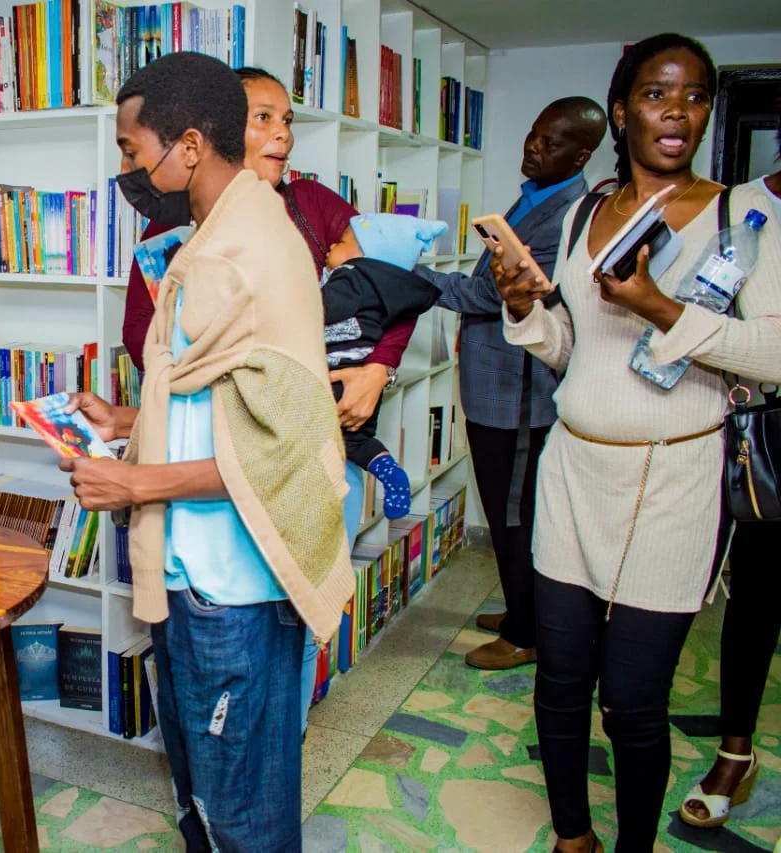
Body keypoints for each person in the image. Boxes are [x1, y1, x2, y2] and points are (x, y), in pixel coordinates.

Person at [494, 33, 781, 853]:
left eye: (694, 97)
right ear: (621, 111)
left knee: (630, 698)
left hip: (677, 480)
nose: (677, 112)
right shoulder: (585, 211)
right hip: (575, 471)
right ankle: (574, 839)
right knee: (559, 683)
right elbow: (569, 348)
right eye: (658, 94)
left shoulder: (744, 216)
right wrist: (523, 306)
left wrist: (659, 307)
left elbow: (773, 353)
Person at [61, 51, 353, 852]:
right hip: (197, 570)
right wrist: (125, 419)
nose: (127, 166)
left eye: (132, 149)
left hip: (233, 578)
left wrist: (136, 482)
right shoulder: (211, 235)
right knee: (205, 793)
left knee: (242, 809)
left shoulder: (248, 251)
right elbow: (215, 394)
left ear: (188, 146)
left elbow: (285, 445)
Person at [121, 64, 416, 734]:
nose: (280, 135)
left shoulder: (286, 221)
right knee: (215, 739)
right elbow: (166, 356)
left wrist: (379, 367)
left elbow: (386, 288)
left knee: (251, 736)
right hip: (205, 524)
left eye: (288, 121)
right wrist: (132, 416)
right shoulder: (184, 229)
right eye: (264, 118)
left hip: (262, 514)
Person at [413, 96, 607, 671]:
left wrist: (409, 275)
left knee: (514, 514)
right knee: (505, 509)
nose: (534, 147)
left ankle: (527, 633)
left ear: (581, 156)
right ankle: (526, 610)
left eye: (551, 142)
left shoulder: (569, 213)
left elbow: (489, 295)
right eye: (533, 133)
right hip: (495, 387)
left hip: (518, 396)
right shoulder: (534, 198)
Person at [679, 102, 781, 831]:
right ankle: (736, 751)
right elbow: (701, 318)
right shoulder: (736, 208)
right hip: (770, 430)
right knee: (759, 595)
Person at [321, 213, 447, 519]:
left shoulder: (351, 277)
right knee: (357, 441)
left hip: (336, 378)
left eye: (340, 241)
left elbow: (316, 310)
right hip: (361, 385)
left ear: (363, 253)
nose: (330, 245)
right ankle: (389, 471)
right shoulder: (382, 288)